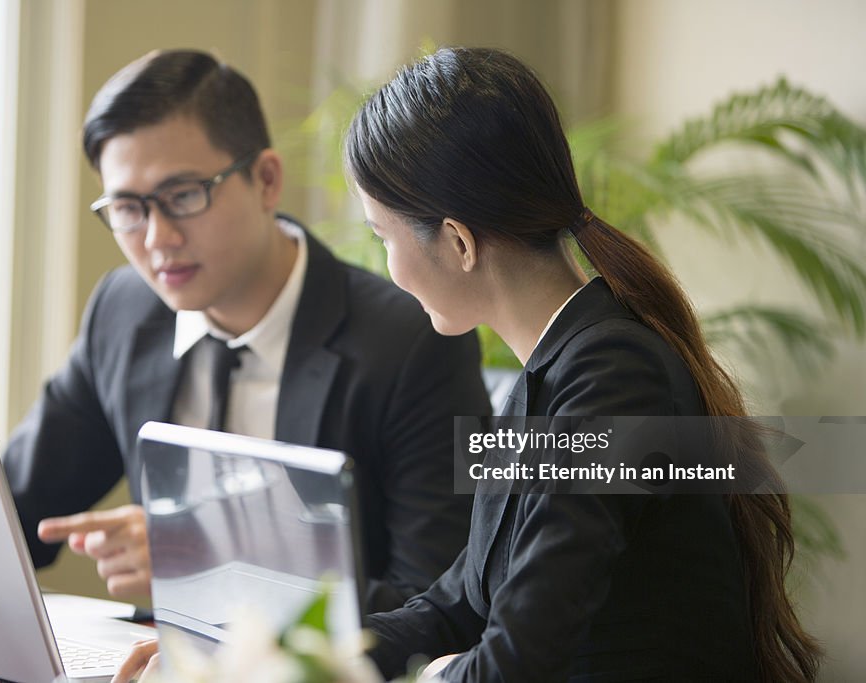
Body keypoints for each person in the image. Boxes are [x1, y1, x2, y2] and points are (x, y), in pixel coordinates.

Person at [338, 48, 820, 682]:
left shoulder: (611, 375)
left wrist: (432, 677)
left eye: (384, 237)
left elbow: (518, 660)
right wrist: (278, 657)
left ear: (457, 242)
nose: (387, 268)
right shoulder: (550, 378)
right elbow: (457, 604)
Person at [2, 49, 491, 616]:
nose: (157, 239)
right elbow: (16, 509)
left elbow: (438, 603)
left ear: (265, 180)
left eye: (184, 196)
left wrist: (211, 562)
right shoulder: (124, 311)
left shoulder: (409, 341)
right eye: (128, 208)